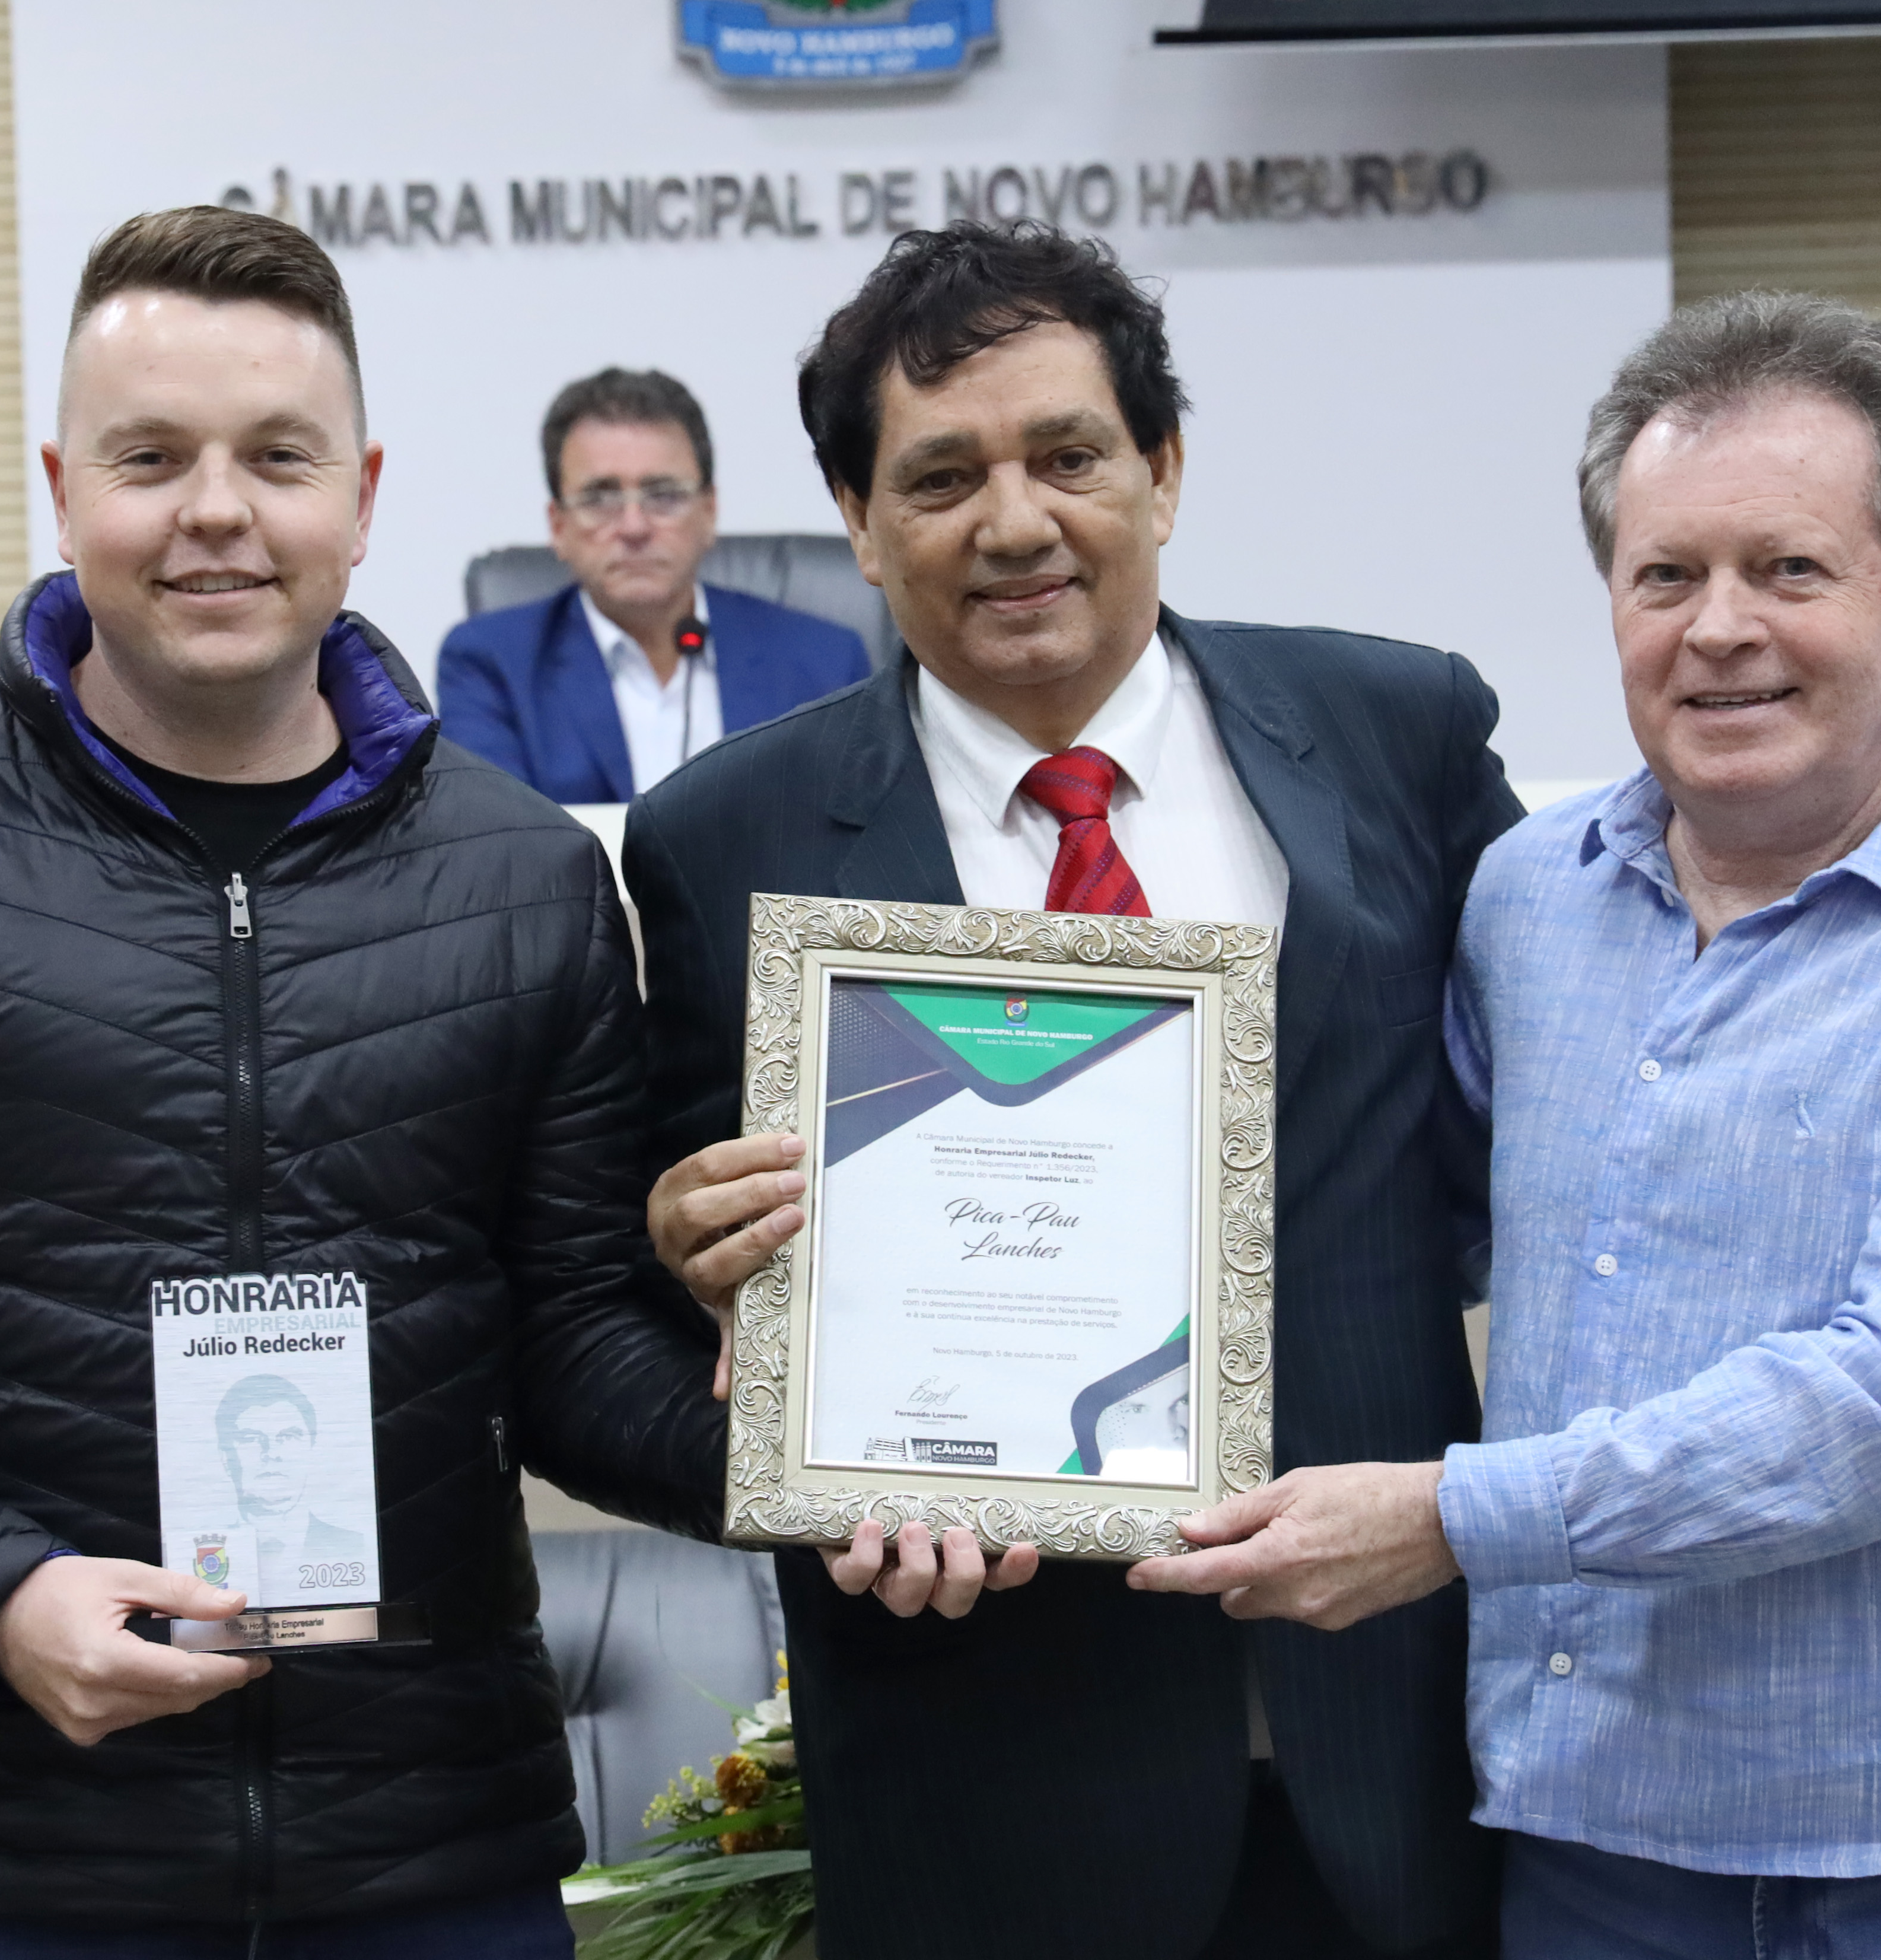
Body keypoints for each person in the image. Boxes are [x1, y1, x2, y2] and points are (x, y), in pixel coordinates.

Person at [0, 208, 725, 1956]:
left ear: (363, 497)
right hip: (9, 1859)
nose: (218, 509)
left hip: (434, 1858)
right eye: (151, 458)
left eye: (278, 457)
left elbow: (574, 1330)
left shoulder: (525, 881)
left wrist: (825, 1464)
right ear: (66, 492)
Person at [1141, 294, 1881, 1956]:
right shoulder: (1528, 900)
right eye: (1664, 576)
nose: (1719, 628)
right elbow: (1376, 1220)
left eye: (1789, 569)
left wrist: (1453, 1518)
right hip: (1600, 1856)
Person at [631, 221, 1517, 1959]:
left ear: (1164, 469)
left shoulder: (1396, 730)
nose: (1016, 520)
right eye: (941, 476)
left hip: (1392, 1743)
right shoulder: (721, 840)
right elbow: (665, 1272)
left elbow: (1573, 1117)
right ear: (859, 520)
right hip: (987, 1777)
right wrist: (689, 1242)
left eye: (1069, 455)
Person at [437, 367, 872, 801]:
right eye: (599, 498)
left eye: (663, 495)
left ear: (709, 512)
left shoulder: (825, 661)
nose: (635, 527)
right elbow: (496, 833)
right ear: (558, 526)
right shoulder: (491, 664)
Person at [215, 1379, 373, 1572]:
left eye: (288, 1437)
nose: (272, 1453)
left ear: (312, 1450)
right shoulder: (202, 1549)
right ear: (226, 1458)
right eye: (251, 1439)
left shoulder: (356, 1547)